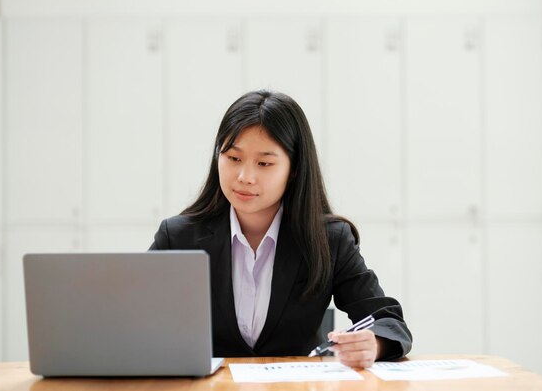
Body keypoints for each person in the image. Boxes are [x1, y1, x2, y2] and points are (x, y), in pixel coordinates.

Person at [149, 90, 412, 368]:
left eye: (264, 164)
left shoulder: (328, 240)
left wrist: (374, 343)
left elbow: (387, 321)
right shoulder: (178, 237)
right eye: (233, 158)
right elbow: (133, 319)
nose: (245, 177)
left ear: (295, 168)